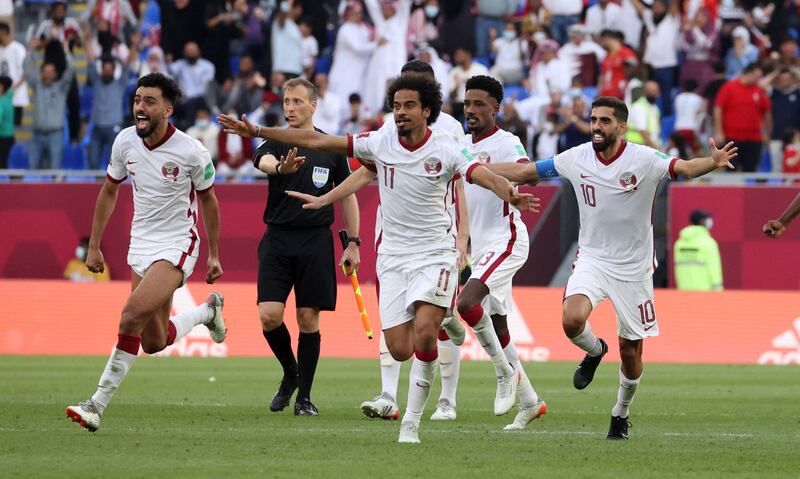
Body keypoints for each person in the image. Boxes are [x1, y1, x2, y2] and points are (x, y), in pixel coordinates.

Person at [218, 73, 539, 443]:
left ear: (427, 111)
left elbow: (482, 176)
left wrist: (511, 195)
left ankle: (411, 424)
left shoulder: (448, 148)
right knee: (401, 349)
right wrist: (260, 132)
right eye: (396, 106)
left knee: (422, 336)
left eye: (409, 106)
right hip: (394, 258)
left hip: (435, 254)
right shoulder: (381, 142)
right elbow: (319, 140)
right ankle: (447, 315)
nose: (400, 113)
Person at [488, 96, 738, 440]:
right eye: (593, 120)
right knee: (571, 319)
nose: (596, 127)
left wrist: (712, 162)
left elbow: (685, 168)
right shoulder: (575, 158)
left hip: (634, 269)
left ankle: (621, 411)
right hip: (592, 258)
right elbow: (523, 171)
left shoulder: (645, 159)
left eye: (605, 121)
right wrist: (471, 168)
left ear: (622, 127)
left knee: (631, 351)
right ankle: (594, 350)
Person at [66, 73, 227, 432]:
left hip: (178, 243)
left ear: (168, 109)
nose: (140, 106)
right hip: (140, 243)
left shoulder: (191, 150)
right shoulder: (125, 141)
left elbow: (210, 201)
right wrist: (93, 245)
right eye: (138, 99)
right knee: (153, 341)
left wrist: (213, 254)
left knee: (131, 315)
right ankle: (207, 312)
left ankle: (96, 403)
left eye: (150, 101)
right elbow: (109, 191)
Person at [358, 60, 470, 423]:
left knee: (429, 324)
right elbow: (369, 169)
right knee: (395, 315)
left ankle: (447, 401)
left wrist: (463, 236)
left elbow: (459, 181)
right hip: (390, 233)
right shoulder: (388, 127)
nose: (402, 108)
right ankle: (388, 394)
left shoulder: (450, 130)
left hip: (435, 235)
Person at [250, 78, 360, 417]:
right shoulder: (275, 141)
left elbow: (348, 193)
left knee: (308, 318)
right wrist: (278, 168)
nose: (290, 108)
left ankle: (305, 398)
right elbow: (263, 163)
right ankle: (290, 373)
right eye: (286, 101)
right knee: (269, 316)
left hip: (315, 240)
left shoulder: (329, 145)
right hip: (278, 238)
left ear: (314, 105)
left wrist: (353, 244)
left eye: (298, 101)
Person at [446, 74, 547, 430]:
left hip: (508, 240)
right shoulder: (458, 143)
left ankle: (504, 373)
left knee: (466, 304)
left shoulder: (507, 141)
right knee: (499, 326)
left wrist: (491, 176)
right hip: (482, 246)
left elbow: (527, 172)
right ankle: (531, 400)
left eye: (479, 104)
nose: (471, 110)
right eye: (467, 103)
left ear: (496, 109)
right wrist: (462, 239)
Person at [23, 38, 75, 169]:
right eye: (45, 72)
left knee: (55, 171)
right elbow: (26, 67)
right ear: (41, 73)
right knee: (33, 170)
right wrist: (31, 50)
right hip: (37, 135)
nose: (48, 75)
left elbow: (71, 69)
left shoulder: (62, 87)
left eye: (51, 72)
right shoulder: (36, 86)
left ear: (56, 74)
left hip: (55, 135)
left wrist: (67, 52)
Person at [714, 63, 771, 172]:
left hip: (754, 139)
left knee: (750, 170)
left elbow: (766, 112)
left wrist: (767, 133)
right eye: (757, 76)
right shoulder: (729, 87)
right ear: (749, 73)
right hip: (733, 137)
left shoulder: (759, 90)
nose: (758, 80)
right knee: (731, 169)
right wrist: (719, 131)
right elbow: (718, 108)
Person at [674, 210, 723, 291]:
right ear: (702, 221)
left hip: (683, 292)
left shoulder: (679, 243)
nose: (709, 221)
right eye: (707, 218)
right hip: (704, 294)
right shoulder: (708, 243)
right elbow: (714, 268)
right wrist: (718, 289)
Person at [625, 80, 662, 149]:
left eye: (654, 91)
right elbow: (643, 132)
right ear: (644, 92)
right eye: (649, 91)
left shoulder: (655, 108)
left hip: (648, 146)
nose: (652, 93)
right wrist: (657, 149)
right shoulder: (638, 107)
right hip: (637, 146)